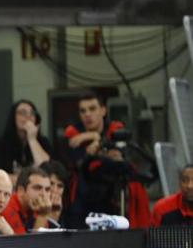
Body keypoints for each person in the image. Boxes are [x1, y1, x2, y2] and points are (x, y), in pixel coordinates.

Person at [64, 91, 150, 228]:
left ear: (103, 110)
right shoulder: (73, 134)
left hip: (115, 200)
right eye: (83, 111)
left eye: (92, 109)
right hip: (82, 203)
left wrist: (95, 139)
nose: (87, 114)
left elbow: (120, 156)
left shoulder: (116, 130)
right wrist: (96, 140)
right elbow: (79, 161)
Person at [0, 100, 52, 177]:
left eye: (32, 113)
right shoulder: (0, 143)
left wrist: (32, 139)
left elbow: (47, 170)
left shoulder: (43, 142)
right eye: (22, 113)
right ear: (13, 118)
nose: (28, 117)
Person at [1, 166, 52, 234]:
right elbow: (25, 244)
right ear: (21, 191)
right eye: (37, 188)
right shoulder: (7, 207)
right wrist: (42, 216)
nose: (44, 194)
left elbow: (47, 242)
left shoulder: (38, 208)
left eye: (47, 189)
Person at [39, 160, 68, 227]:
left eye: (60, 186)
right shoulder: (29, 208)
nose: (55, 190)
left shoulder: (61, 208)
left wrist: (55, 217)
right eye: (51, 183)